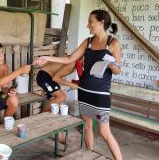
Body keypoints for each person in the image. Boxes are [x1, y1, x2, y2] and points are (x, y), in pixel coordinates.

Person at [34, 10, 122, 160]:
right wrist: (46, 57)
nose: (88, 25)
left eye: (90, 22)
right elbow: (70, 58)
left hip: (100, 94)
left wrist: (114, 67)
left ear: (101, 23)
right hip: (83, 91)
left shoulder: (112, 43)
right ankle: (88, 156)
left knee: (104, 132)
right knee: (87, 127)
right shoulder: (88, 42)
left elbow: (118, 70)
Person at [36, 62, 78, 143]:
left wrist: (72, 84)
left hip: (49, 77)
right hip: (45, 77)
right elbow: (56, 78)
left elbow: (58, 74)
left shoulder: (76, 64)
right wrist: (71, 85)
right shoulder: (72, 63)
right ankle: (40, 122)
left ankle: (58, 135)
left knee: (58, 105)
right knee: (61, 97)